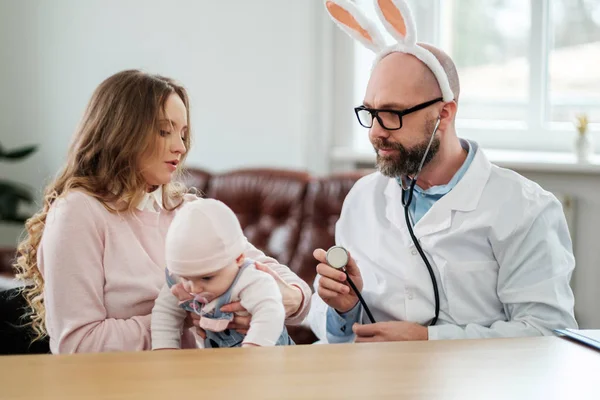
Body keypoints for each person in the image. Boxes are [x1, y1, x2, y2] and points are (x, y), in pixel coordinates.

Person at [308, 0, 578, 343]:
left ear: (444, 114)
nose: (375, 132)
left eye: (392, 113)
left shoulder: (526, 208)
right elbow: (332, 328)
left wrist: (428, 342)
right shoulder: (363, 197)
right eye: (370, 112)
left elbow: (547, 334)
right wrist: (345, 310)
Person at [13, 69, 311, 353]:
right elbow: (76, 344)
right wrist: (186, 319)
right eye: (164, 131)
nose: (180, 147)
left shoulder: (188, 212)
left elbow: (291, 288)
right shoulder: (79, 212)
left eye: (183, 133)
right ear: (122, 133)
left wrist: (284, 299)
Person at [152, 198, 292, 349]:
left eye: (206, 277)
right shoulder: (179, 282)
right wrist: (165, 350)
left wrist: (254, 349)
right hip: (221, 361)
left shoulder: (251, 280)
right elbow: (165, 313)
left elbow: (270, 311)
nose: (194, 289)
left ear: (238, 258)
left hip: (269, 360)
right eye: (186, 278)